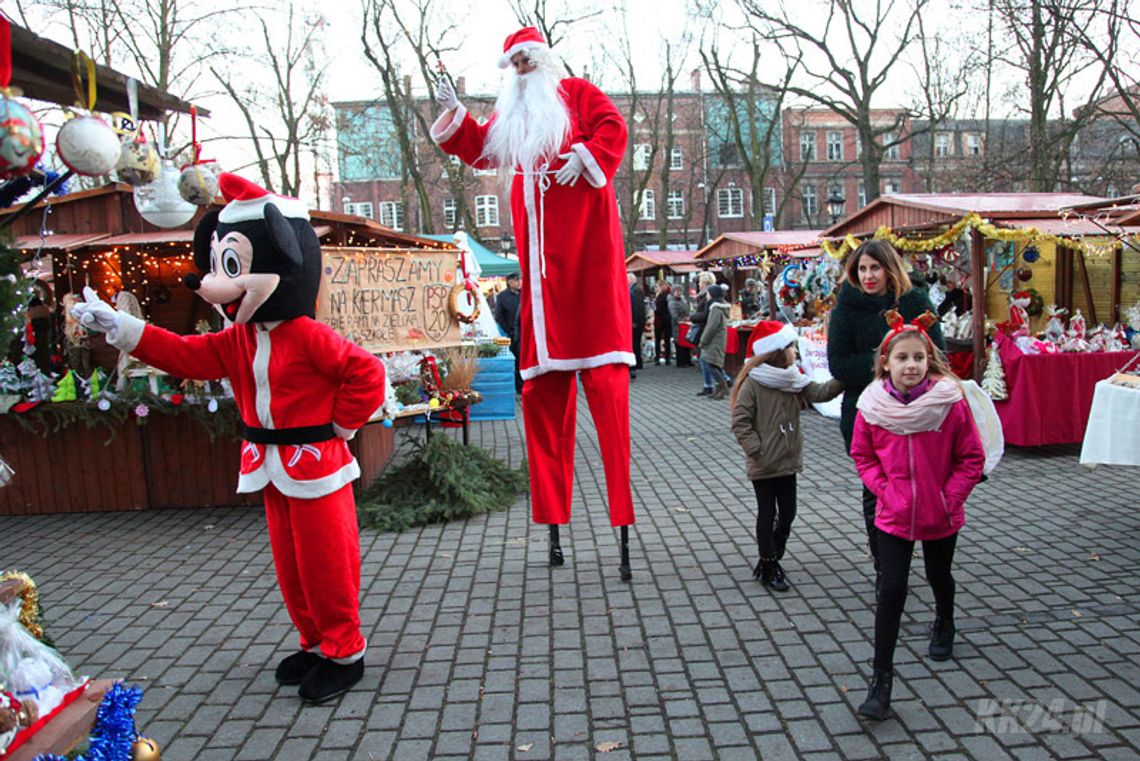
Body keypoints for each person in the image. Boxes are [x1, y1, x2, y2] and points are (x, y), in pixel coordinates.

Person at [73, 174, 387, 704]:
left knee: (327, 562)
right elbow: (182, 354)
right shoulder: (238, 337)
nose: (213, 283)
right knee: (290, 565)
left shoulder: (308, 334)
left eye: (232, 268)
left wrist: (342, 427)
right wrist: (123, 327)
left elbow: (366, 374)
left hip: (316, 463)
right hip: (267, 462)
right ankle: (314, 642)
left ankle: (345, 650)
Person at [432, 27, 636, 579]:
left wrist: (587, 155)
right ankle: (552, 521)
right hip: (541, 290)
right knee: (544, 412)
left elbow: (613, 129)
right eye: (514, 63)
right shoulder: (514, 117)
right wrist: (456, 118)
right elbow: (480, 148)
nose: (522, 68)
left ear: (544, 60)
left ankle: (621, 523)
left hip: (589, 277)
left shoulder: (577, 94)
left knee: (610, 407)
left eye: (528, 59)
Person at [849, 311, 984, 720]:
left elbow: (971, 457)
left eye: (919, 358)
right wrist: (885, 490)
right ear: (885, 363)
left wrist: (949, 498)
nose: (911, 365)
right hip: (894, 513)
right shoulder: (872, 406)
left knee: (939, 575)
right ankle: (881, 679)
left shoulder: (949, 403)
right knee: (891, 590)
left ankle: (944, 620)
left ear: (930, 361)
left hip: (940, 511)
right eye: (902, 358)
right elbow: (863, 455)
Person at [826, 240, 943, 592]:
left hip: (919, 414)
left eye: (874, 268)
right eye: (862, 269)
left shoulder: (915, 303)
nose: (868, 275)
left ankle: (933, 560)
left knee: (923, 489)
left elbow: (938, 358)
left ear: (889, 268)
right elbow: (840, 365)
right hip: (867, 415)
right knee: (876, 492)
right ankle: (886, 570)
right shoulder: (845, 307)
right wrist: (888, 361)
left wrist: (906, 367)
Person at [730, 321, 843, 591]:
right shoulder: (754, 383)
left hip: (787, 460)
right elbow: (740, 421)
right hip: (764, 462)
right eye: (791, 346)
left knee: (789, 512)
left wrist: (844, 378)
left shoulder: (792, 377)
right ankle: (768, 563)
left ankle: (774, 547)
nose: (795, 351)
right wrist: (757, 450)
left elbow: (819, 392)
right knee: (767, 512)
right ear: (777, 352)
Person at [698, 284, 732, 400]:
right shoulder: (718, 307)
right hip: (718, 339)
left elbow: (711, 327)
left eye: (708, 293)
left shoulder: (716, 309)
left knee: (711, 364)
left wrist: (703, 340)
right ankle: (719, 388)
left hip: (714, 340)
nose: (706, 295)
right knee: (714, 364)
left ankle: (723, 388)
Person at [494, 272, 523, 392]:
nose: (519, 282)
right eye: (517, 280)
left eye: (520, 279)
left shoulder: (526, 293)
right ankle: (519, 387)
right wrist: (509, 330)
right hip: (512, 333)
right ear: (509, 282)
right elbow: (499, 317)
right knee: (516, 361)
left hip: (527, 333)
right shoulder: (502, 297)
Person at [690, 271, 717, 394]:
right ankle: (714, 383)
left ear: (705, 283)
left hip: (705, 328)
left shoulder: (708, 296)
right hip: (704, 327)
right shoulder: (705, 295)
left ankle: (714, 383)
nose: (699, 284)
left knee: (705, 358)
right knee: (705, 358)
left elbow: (705, 314)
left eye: (700, 282)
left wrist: (693, 316)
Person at [668, 285, 691, 367]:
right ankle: (681, 362)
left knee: (687, 342)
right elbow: (674, 316)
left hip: (685, 324)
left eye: (680, 291)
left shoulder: (683, 300)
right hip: (677, 325)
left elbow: (687, 310)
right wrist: (683, 318)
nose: (679, 293)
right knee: (679, 343)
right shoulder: (672, 302)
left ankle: (688, 360)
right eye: (677, 291)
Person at [629, 272, 647, 375]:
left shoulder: (635, 290)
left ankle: (637, 363)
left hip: (637, 322)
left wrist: (635, 321)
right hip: (638, 321)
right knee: (636, 342)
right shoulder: (636, 289)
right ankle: (637, 362)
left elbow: (638, 307)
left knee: (635, 342)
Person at [653, 280, 673, 365]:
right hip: (667, 319)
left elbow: (658, 309)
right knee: (667, 339)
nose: (655, 289)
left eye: (657, 287)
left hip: (660, 320)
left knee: (658, 339)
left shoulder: (661, 296)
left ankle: (658, 358)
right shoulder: (668, 294)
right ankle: (667, 358)